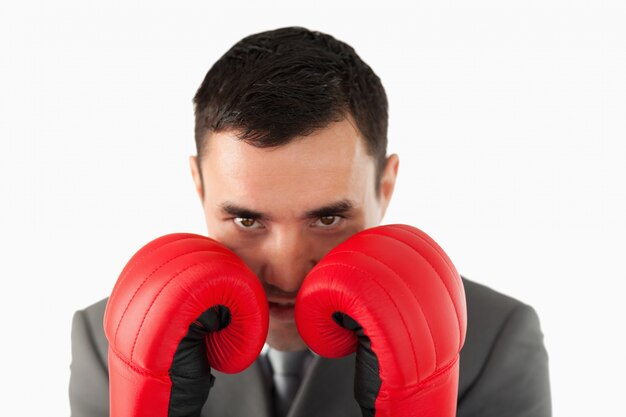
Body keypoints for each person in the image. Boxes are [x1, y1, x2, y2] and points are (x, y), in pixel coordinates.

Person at [69, 27, 552, 417]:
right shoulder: (109, 337)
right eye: (246, 219)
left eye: (326, 218)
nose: (285, 272)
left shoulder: (494, 339)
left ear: (385, 187)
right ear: (199, 185)